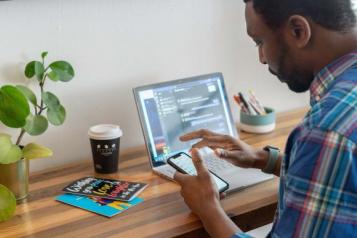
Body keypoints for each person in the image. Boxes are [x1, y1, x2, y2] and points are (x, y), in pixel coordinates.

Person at [174, 0, 357, 237]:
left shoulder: (327, 130)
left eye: (260, 41)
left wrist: (207, 207)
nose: (261, 58)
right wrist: (264, 160)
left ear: (298, 31)